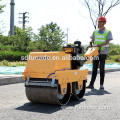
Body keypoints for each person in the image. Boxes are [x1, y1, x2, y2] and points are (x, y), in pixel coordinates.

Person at [86, 16, 113, 89]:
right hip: (95, 52)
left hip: (103, 52)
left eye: (100, 22)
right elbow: (92, 40)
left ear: (104, 23)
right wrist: (92, 46)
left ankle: (101, 85)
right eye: (98, 21)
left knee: (102, 68)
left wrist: (100, 45)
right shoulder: (95, 31)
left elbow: (107, 41)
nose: (99, 23)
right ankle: (91, 84)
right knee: (94, 68)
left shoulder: (108, 31)